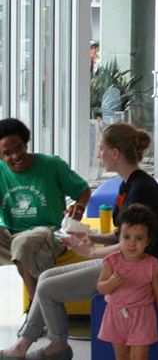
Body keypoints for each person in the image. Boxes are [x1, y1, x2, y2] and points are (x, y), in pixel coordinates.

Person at [0, 123, 158, 360]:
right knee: (46, 277)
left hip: (131, 267)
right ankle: (56, 345)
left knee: (46, 286)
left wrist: (92, 252)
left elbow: (136, 245)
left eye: (101, 148)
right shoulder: (129, 184)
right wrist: (91, 238)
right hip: (123, 260)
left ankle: (42, 344)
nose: (98, 154)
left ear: (115, 153)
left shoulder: (140, 189)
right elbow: (124, 234)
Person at [0, 118, 91, 301]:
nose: (16, 156)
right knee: (20, 242)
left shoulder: (51, 165)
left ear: (26, 144)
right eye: (7, 153)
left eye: (19, 148)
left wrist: (79, 207)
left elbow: (83, 190)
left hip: (48, 233)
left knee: (23, 243)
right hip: (11, 234)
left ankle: (36, 309)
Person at [97, 203, 158, 359]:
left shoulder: (152, 265)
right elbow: (101, 288)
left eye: (139, 238)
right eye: (127, 237)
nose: (132, 243)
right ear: (119, 237)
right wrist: (110, 283)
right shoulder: (111, 262)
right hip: (115, 314)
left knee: (139, 357)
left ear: (147, 241)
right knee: (122, 356)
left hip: (142, 315)